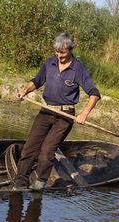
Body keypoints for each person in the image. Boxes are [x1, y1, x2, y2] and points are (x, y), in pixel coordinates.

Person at [14, 32, 101, 190]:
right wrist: (24, 91)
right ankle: (19, 184)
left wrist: (84, 113)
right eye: (56, 52)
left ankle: (39, 185)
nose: (59, 55)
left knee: (47, 151)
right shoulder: (49, 64)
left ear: (70, 50)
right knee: (29, 148)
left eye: (62, 52)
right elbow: (36, 81)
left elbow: (94, 94)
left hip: (64, 116)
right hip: (46, 111)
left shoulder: (78, 69)